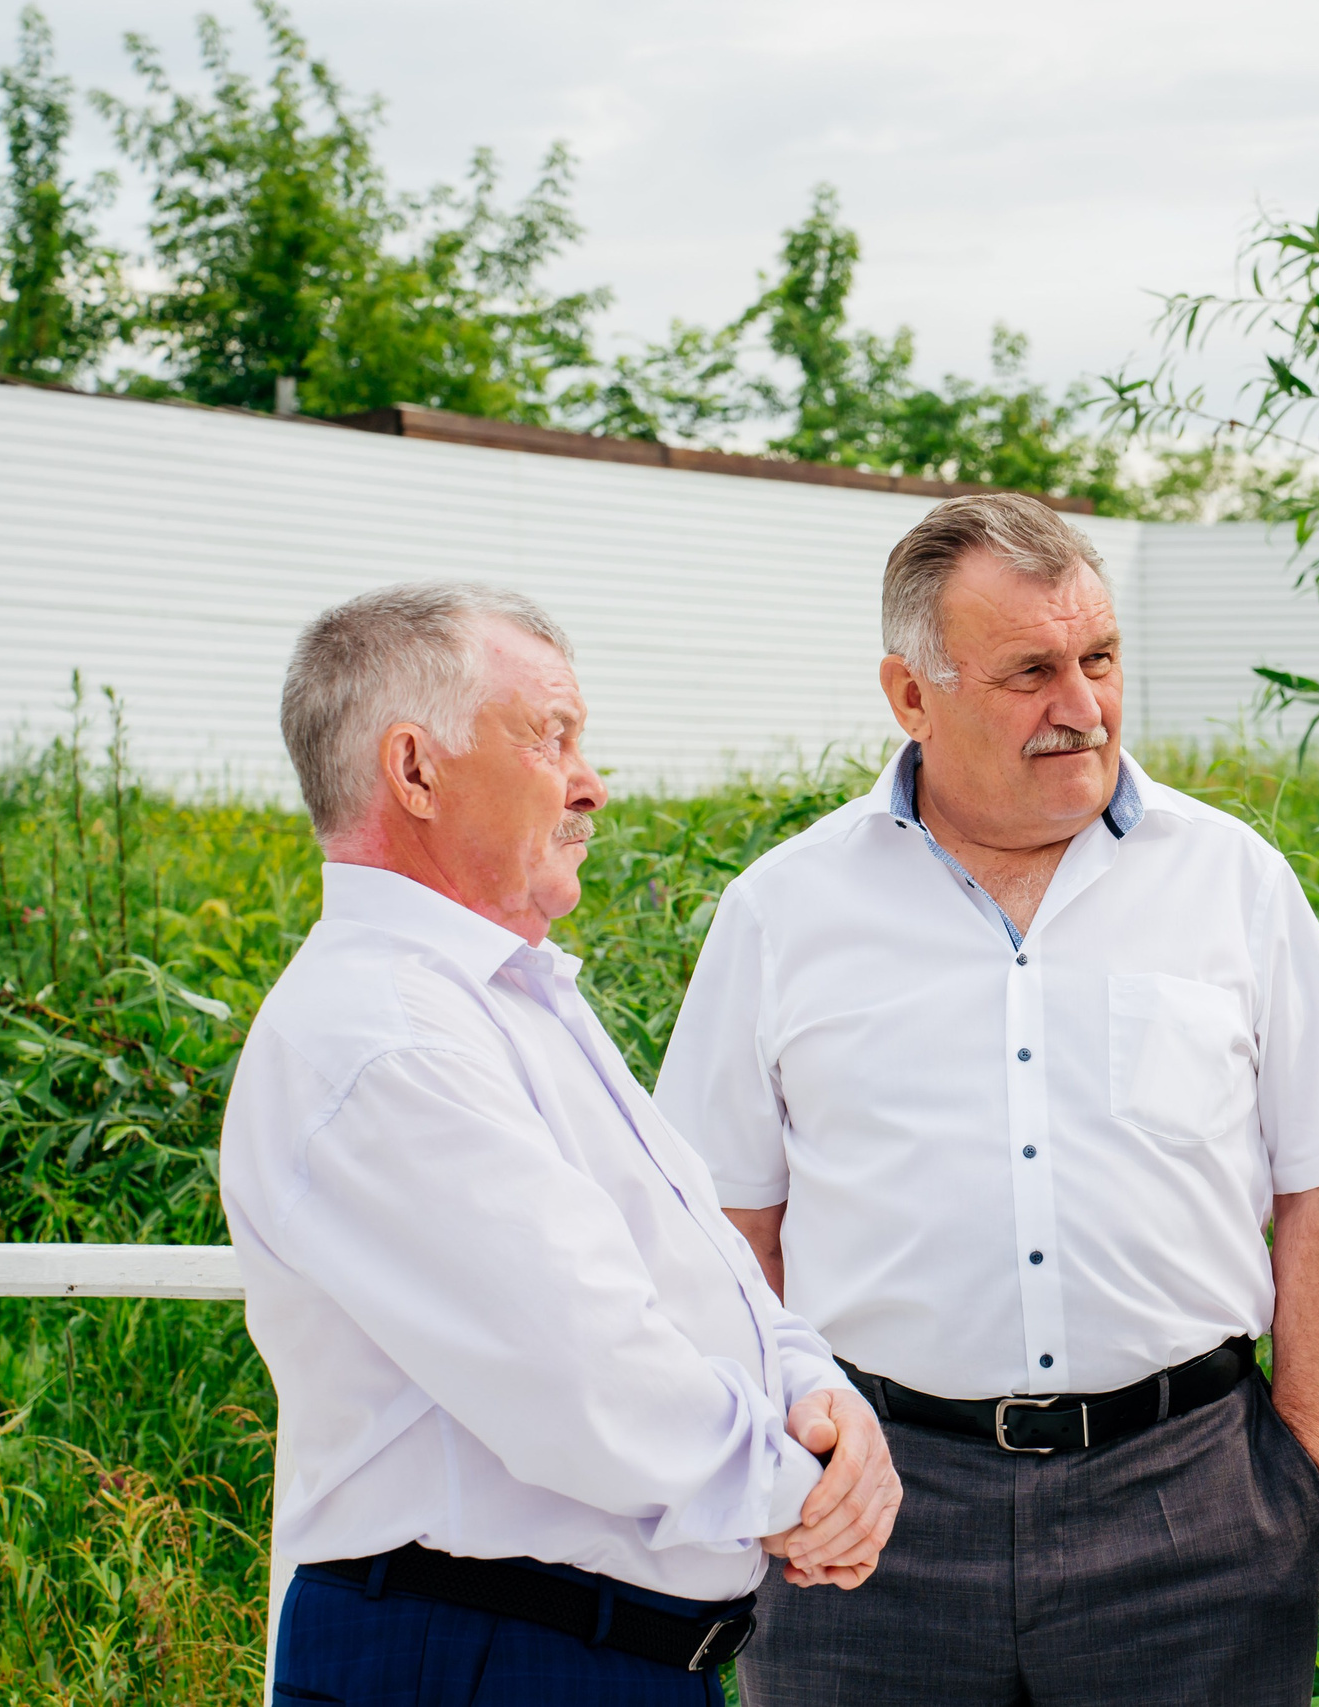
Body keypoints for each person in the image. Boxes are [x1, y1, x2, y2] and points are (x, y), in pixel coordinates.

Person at [655, 493, 1319, 1706]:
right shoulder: (784, 910)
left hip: (1191, 1512)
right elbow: (722, 1229)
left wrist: (1294, 1478)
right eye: (1031, 673)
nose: (1083, 706)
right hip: (872, 1522)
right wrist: (779, 1469)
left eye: (1099, 658)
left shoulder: (1233, 880)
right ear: (911, 695)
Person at [221, 584, 901, 1704]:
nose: (591, 784)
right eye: (552, 736)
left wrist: (819, 1398)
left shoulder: (503, 997)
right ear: (415, 770)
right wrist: (810, 1491)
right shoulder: (385, 1036)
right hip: (480, 1653)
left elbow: (702, 1271)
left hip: (570, 1650)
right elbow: (584, 1373)